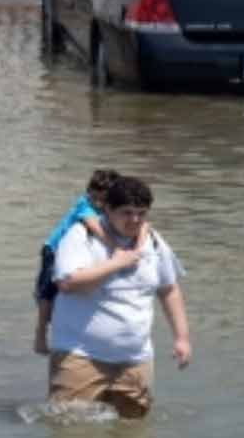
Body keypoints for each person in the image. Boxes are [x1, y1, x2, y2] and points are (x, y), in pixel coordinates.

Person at [48, 175, 192, 419]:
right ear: (107, 209)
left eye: (141, 213)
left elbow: (168, 289)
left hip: (135, 360)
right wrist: (115, 264)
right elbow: (68, 283)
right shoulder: (81, 235)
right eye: (126, 212)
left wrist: (182, 338)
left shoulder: (153, 241)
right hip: (80, 357)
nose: (134, 220)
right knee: (70, 425)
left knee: (132, 428)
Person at [32, 170, 118, 355]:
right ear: (88, 192)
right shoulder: (84, 204)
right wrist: (117, 248)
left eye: (103, 200)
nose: (98, 203)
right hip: (53, 249)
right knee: (47, 292)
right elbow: (94, 226)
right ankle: (40, 335)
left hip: (72, 254)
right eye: (95, 198)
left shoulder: (108, 209)